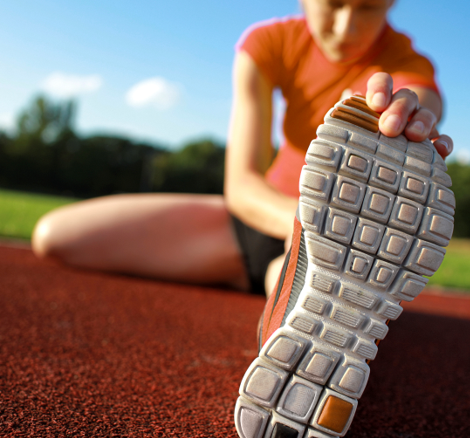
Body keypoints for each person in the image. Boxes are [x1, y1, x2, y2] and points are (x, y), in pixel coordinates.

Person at [32, 0, 453, 299]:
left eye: (368, 7)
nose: (347, 27)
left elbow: (419, 94)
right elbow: (242, 183)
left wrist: (413, 113)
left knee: (305, 283)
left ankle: (297, 292)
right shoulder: (267, 44)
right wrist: (308, 229)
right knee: (55, 235)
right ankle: (290, 277)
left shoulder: (405, 59)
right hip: (264, 218)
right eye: (334, 3)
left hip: (344, 246)